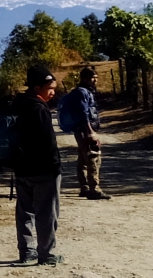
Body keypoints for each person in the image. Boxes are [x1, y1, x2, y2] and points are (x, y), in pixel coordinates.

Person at [11, 65, 64, 266]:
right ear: (36, 88)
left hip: (21, 168)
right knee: (46, 212)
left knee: (24, 212)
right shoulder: (39, 109)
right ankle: (46, 254)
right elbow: (48, 142)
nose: (53, 92)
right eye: (50, 88)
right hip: (44, 170)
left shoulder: (16, 106)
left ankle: (26, 252)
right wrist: (55, 167)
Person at [60, 67, 109, 200]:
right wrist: (90, 132)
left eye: (96, 78)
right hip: (84, 129)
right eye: (93, 78)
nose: (95, 81)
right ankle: (94, 189)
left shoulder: (84, 92)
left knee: (83, 158)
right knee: (93, 156)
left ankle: (85, 187)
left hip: (81, 129)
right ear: (85, 78)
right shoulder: (82, 92)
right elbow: (83, 113)